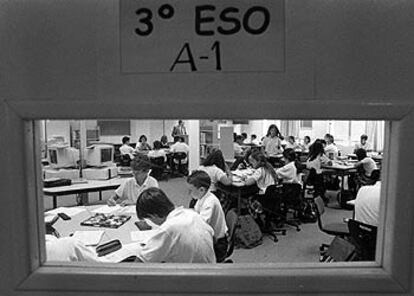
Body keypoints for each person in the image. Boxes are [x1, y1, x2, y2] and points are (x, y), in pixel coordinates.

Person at [135, 187, 216, 263]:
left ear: (154, 215)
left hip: (193, 275)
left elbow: (141, 262)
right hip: (212, 270)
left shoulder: (169, 228)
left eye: (149, 219)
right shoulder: (192, 214)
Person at [187, 171, 228, 262]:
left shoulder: (210, 202)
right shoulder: (202, 197)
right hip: (212, 238)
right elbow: (196, 212)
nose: (188, 193)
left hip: (218, 244)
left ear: (201, 189)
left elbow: (201, 224)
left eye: (190, 190)